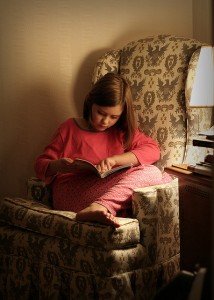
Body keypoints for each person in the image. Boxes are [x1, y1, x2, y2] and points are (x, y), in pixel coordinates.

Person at [34, 73, 172, 228]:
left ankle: (101, 208)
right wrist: (59, 165)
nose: (105, 121)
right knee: (155, 175)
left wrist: (115, 160)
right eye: (101, 113)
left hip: (101, 193)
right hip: (70, 194)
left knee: (156, 174)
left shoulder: (120, 132)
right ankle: (103, 207)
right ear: (90, 102)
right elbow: (40, 166)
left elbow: (153, 150)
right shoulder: (69, 128)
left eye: (113, 117)